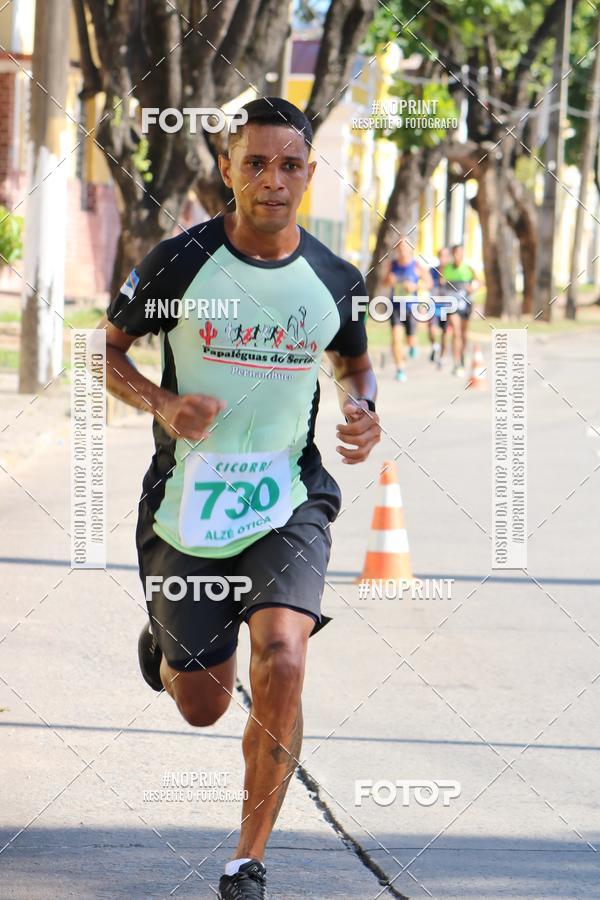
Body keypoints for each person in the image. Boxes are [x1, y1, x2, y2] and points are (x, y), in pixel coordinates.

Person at [98, 97, 381, 900]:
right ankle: (168, 642)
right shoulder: (179, 263)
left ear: (309, 175)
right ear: (228, 169)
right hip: (189, 505)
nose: (272, 180)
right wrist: (162, 404)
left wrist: (362, 409)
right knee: (202, 705)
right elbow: (108, 352)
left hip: (289, 497)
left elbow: (353, 362)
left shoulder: (333, 278)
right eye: (255, 163)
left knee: (286, 657)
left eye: (289, 164)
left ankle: (246, 860)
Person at [382, 236, 432, 382]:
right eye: (400, 247)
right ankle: (400, 369)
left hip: (411, 308)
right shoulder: (392, 265)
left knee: (410, 339)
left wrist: (415, 286)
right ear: (396, 249)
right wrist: (388, 280)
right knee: (396, 339)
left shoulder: (416, 266)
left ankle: (412, 346)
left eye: (405, 247)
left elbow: (429, 283)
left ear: (410, 248)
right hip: (396, 307)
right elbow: (384, 283)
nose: (402, 250)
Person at [441, 244, 478, 376]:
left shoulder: (468, 269)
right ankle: (456, 363)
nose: (457, 256)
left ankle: (462, 355)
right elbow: (441, 283)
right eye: (455, 253)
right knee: (456, 332)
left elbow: (479, 283)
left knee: (463, 334)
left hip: (466, 304)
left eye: (460, 253)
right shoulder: (447, 269)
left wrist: (472, 288)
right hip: (453, 305)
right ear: (452, 255)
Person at [427, 246, 451, 368]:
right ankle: (434, 346)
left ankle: (441, 357)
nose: (443, 258)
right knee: (431, 327)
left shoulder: (452, 271)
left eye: (445, 256)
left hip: (448, 306)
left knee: (445, 332)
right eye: (440, 255)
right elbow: (427, 283)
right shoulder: (432, 271)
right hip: (434, 304)